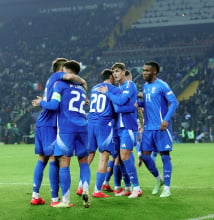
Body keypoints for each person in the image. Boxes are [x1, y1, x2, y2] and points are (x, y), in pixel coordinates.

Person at [32, 60, 90, 208]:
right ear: (62, 69)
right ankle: (55, 198)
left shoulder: (53, 80)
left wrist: (41, 102)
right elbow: (72, 79)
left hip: (44, 122)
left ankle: (36, 195)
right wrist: (83, 82)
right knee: (55, 159)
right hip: (54, 123)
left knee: (44, 159)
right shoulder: (61, 78)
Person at [99, 62, 142, 198]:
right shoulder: (119, 87)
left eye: (117, 71)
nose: (115, 74)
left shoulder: (130, 85)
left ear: (124, 72)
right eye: (114, 72)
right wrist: (128, 107)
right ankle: (128, 187)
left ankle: (137, 188)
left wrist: (108, 94)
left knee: (125, 156)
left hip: (128, 125)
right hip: (118, 126)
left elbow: (121, 101)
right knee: (120, 157)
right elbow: (118, 106)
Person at [138, 61, 178, 198]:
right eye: (143, 70)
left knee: (165, 157)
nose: (144, 73)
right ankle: (158, 179)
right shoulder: (145, 86)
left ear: (154, 72)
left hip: (161, 127)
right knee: (144, 156)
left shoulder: (162, 85)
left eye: (147, 70)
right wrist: (137, 101)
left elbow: (174, 102)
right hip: (148, 128)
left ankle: (167, 188)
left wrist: (166, 119)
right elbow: (146, 103)